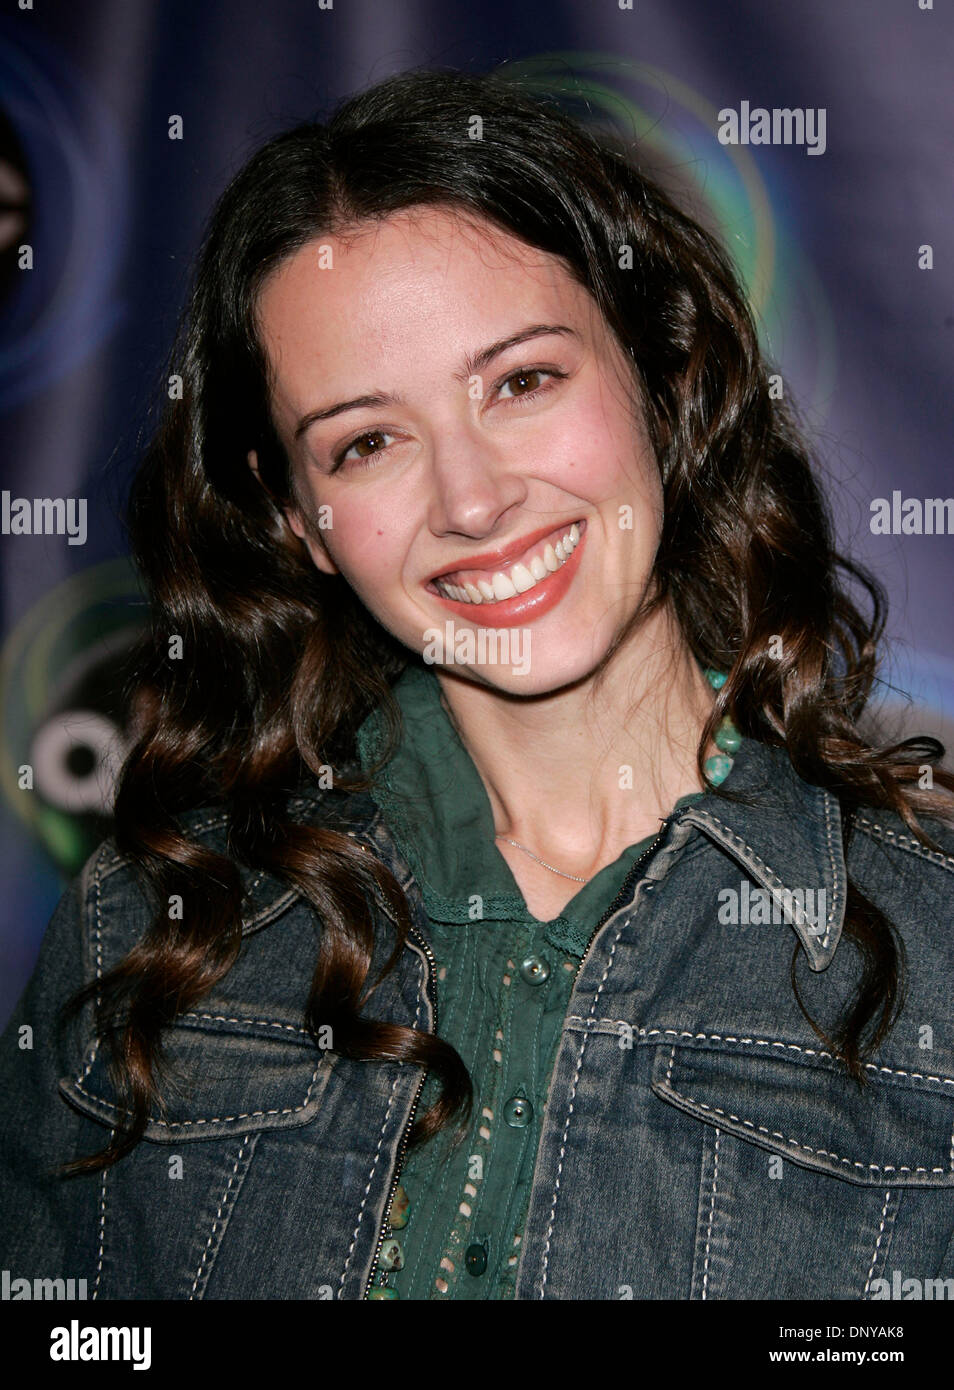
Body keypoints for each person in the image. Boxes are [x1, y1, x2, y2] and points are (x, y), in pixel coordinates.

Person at [2, 65, 954, 1303]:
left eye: (521, 381)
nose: (471, 501)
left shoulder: (930, 949)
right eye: (367, 440)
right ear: (301, 517)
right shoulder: (154, 927)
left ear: (658, 377)